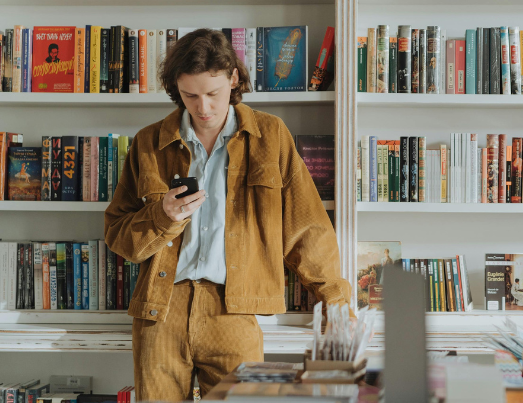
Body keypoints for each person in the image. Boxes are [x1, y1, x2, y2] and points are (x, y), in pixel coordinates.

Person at [104, 28, 351, 402]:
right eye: (190, 95)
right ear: (176, 89)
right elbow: (118, 235)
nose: (203, 107)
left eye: (213, 93)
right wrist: (162, 215)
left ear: (233, 79)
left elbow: (308, 228)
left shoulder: (271, 135)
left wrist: (335, 302)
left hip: (235, 310)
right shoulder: (148, 143)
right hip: (161, 309)